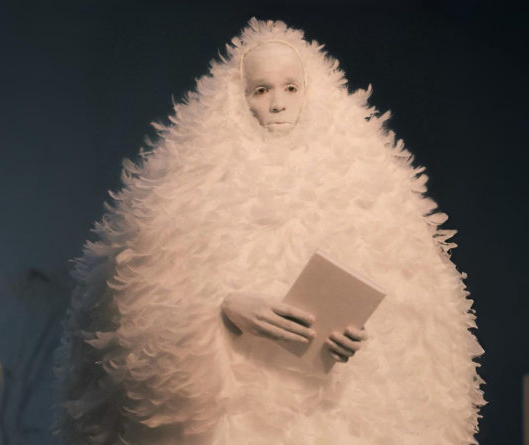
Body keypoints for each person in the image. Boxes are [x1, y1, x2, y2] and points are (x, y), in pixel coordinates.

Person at [55, 18, 483, 445]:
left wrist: (356, 339)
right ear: (238, 99)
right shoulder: (188, 188)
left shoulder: (366, 186)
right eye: (261, 90)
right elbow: (135, 304)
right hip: (238, 411)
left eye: (291, 88)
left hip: (327, 412)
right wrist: (225, 309)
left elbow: (413, 313)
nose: (278, 104)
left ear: (310, 92)